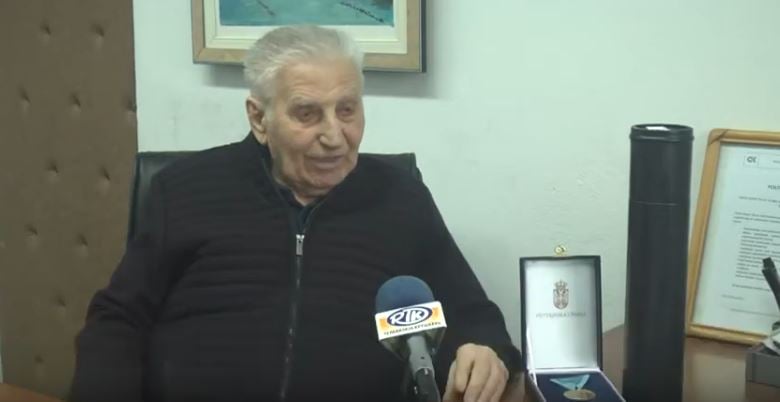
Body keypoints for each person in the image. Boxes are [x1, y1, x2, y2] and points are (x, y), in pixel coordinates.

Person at [70, 25, 521, 402]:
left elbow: (472, 314)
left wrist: (486, 352)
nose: (335, 136)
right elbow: (118, 319)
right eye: (308, 114)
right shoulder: (184, 190)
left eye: (347, 110)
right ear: (259, 119)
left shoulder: (402, 198)